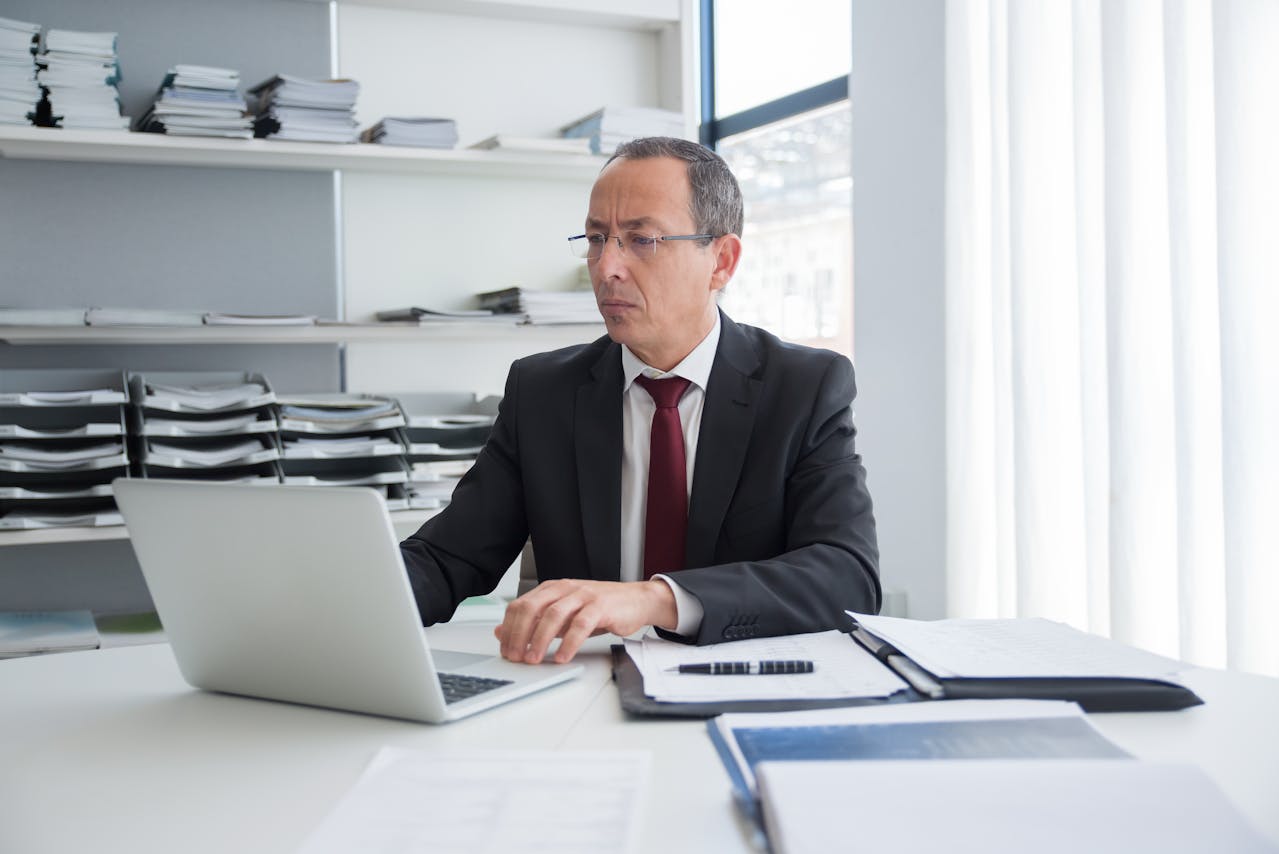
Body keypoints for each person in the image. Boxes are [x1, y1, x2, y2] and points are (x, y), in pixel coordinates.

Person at [400, 136, 880, 665]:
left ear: (721, 261)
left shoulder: (803, 387)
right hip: (582, 685)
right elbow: (445, 559)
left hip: (741, 684)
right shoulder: (542, 393)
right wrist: (342, 599)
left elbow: (847, 577)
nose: (606, 267)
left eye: (642, 240)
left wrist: (653, 599)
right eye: (596, 238)